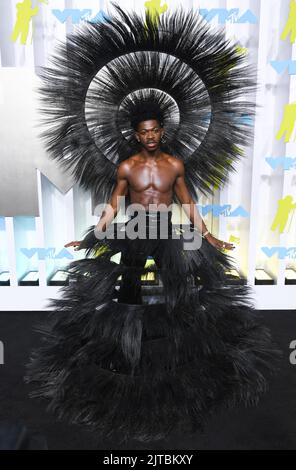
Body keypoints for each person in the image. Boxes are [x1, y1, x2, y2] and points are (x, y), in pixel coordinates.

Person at [25, 6, 282, 444]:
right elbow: (112, 205)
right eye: (142, 131)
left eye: (154, 130)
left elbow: (188, 203)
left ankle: (182, 380)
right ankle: (126, 372)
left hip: (170, 229)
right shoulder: (125, 166)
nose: (149, 136)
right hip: (135, 228)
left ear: (162, 130)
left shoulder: (175, 163)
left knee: (182, 301)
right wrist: (93, 234)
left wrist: (209, 235)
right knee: (125, 297)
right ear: (134, 132)